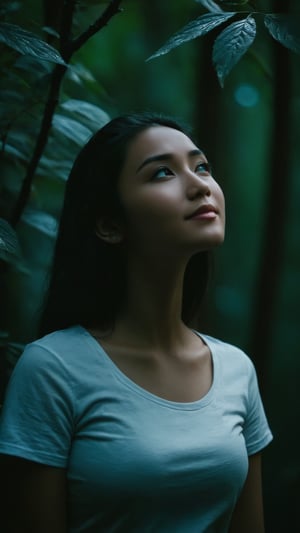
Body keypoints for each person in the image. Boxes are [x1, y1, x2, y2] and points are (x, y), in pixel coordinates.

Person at [0, 112, 272, 532]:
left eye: (201, 167)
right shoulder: (52, 369)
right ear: (109, 224)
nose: (201, 185)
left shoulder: (236, 370)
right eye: (163, 172)